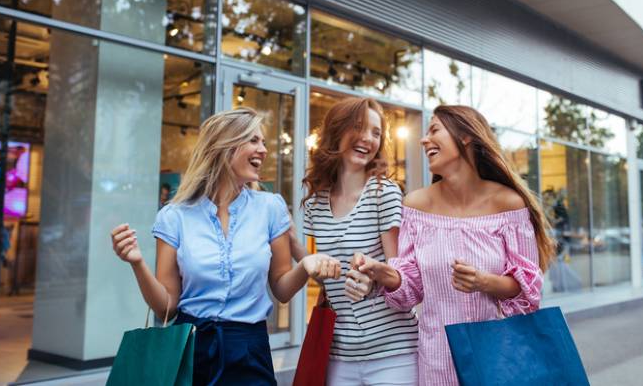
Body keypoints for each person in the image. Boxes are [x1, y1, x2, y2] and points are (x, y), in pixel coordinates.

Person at [111, 108, 341, 386]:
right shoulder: (174, 216)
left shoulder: (270, 208)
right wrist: (137, 263)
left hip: (250, 351)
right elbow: (167, 309)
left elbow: (281, 289)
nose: (264, 150)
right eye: (253, 140)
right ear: (224, 146)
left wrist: (304, 266)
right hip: (190, 351)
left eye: (264, 142)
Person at [352, 105, 555, 385]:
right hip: (437, 360)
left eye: (434, 130)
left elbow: (529, 291)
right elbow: (411, 289)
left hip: (499, 358)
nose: (424, 140)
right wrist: (384, 273)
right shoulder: (416, 205)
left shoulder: (508, 204)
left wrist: (485, 282)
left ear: (466, 136)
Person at [294, 96, 418, 385]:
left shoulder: (383, 193)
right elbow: (328, 281)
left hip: (392, 352)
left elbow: (404, 277)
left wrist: (373, 280)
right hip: (340, 355)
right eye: (360, 127)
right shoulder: (315, 204)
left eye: (376, 133)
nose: (368, 138)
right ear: (337, 132)